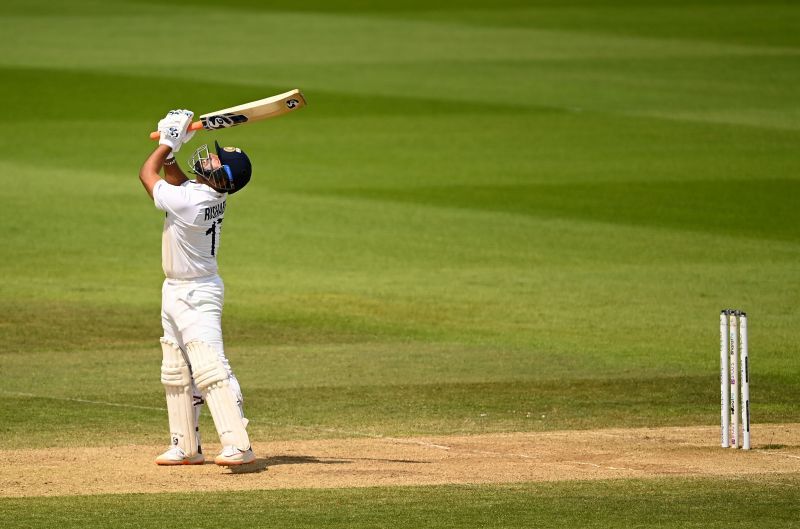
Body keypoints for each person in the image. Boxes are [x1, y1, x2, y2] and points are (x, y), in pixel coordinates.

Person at [138, 109, 255, 466]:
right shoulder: (201, 193)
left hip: (198, 293)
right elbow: (176, 180)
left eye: (215, 159)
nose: (208, 157)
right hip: (174, 289)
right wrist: (170, 150)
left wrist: (169, 141)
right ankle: (186, 446)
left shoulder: (192, 203)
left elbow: (147, 175)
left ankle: (240, 445)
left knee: (211, 369)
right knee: (175, 368)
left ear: (222, 177)